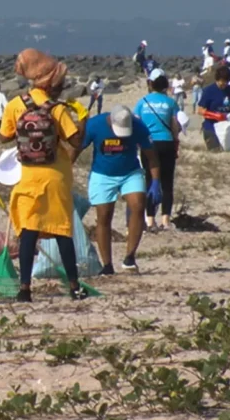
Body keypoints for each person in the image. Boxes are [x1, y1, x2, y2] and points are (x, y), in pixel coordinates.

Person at [0, 48, 87, 301]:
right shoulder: (57, 109)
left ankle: (25, 288)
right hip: (55, 177)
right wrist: (82, 118)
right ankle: (73, 286)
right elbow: (75, 141)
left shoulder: (16, 105)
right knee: (61, 232)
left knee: (28, 231)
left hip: (28, 177)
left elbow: (3, 137)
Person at [76, 105, 161, 275]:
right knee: (104, 216)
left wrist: (156, 182)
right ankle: (107, 265)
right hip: (102, 174)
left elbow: (151, 156)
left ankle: (130, 258)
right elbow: (76, 148)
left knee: (138, 206)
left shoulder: (138, 126)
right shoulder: (95, 125)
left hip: (131, 172)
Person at [134, 69, 181, 231]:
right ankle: (166, 220)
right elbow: (175, 125)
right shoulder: (170, 102)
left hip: (149, 144)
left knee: (150, 181)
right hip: (166, 142)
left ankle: (150, 220)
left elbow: (137, 124)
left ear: (151, 83)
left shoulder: (142, 102)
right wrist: (176, 140)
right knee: (167, 183)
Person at [197, 65, 230, 151]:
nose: (224, 83)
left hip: (226, 126)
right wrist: (214, 115)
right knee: (215, 151)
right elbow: (200, 110)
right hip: (211, 127)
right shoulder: (208, 91)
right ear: (217, 79)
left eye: (226, 81)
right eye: (222, 81)